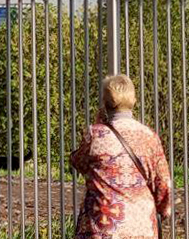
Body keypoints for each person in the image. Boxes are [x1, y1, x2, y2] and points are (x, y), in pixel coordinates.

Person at [70, 74, 172, 239]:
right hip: (140, 225)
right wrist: (163, 210)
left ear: (105, 102)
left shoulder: (95, 133)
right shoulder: (149, 136)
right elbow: (163, 183)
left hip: (103, 224)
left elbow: (77, 162)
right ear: (134, 100)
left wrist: (98, 123)